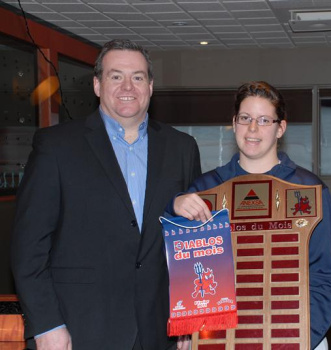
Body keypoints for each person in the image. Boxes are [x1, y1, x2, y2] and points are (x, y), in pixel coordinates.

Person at [10, 39, 202, 350]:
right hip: (79, 329)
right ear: (98, 85)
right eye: (116, 76)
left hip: (159, 331)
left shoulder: (181, 148)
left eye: (138, 77)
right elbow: (28, 247)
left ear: (151, 86)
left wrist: (190, 320)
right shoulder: (56, 146)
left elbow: (191, 243)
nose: (128, 86)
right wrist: (46, 325)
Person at [165, 81, 331, 350]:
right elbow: (183, 269)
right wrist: (172, 207)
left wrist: (298, 339)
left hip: (295, 339)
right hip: (219, 341)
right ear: (234, 123)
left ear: (281, 127)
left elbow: (323, 278)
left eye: (264, 120)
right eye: (245, 118)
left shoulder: (310, 191)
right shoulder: (204, 191)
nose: (253, 129)